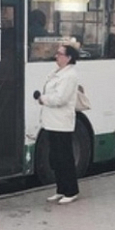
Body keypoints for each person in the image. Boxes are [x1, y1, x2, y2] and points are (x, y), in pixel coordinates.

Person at [37, 45, 81, 204]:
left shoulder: (70, 75)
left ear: (69, 58)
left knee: (65, 158)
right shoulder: (57, 73)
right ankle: (60, 189)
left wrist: (43, 99)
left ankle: (71, 191)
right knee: (55, 158)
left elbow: (61, 98)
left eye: (60, 54)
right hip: (51, 121)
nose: (56, 56)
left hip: (62, 122)